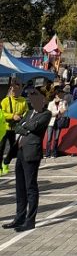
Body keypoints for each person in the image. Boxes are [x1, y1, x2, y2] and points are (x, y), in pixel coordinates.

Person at [2, 89, 51, 232]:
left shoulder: (45, 114)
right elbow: (17, 127)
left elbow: (34, 127)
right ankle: (19, 217)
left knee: (31, 187)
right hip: (20, 151)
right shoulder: (29, 113)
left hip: (32, 153)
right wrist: (24, 127)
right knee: (20, 187)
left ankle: (30, 220)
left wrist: (24, 126)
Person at [0, 82, 28, 176]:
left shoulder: (23, 100)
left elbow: (27, 112)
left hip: (16, 128)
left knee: (15, 148)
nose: (15, 92)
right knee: (1, 148)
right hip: (4, 128)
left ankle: (6, 162)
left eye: (17, 90)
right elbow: (2, 113)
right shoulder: (5, 101)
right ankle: (0, 167)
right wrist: (12, 116)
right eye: (13, 90)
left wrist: (22, 117)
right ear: (10, 90)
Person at [45, 90, 66, 158]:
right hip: (51, 122)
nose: (60, 96)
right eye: (59, 95)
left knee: (56, 138)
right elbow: (49, 113)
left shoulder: (63, 102)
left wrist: (63, 106)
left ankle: (54, 153)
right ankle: (47, 153)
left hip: (59, 121)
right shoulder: (51, 103)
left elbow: (64, 110)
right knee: (49, 139)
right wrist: (58, 111)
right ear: (56, 95)